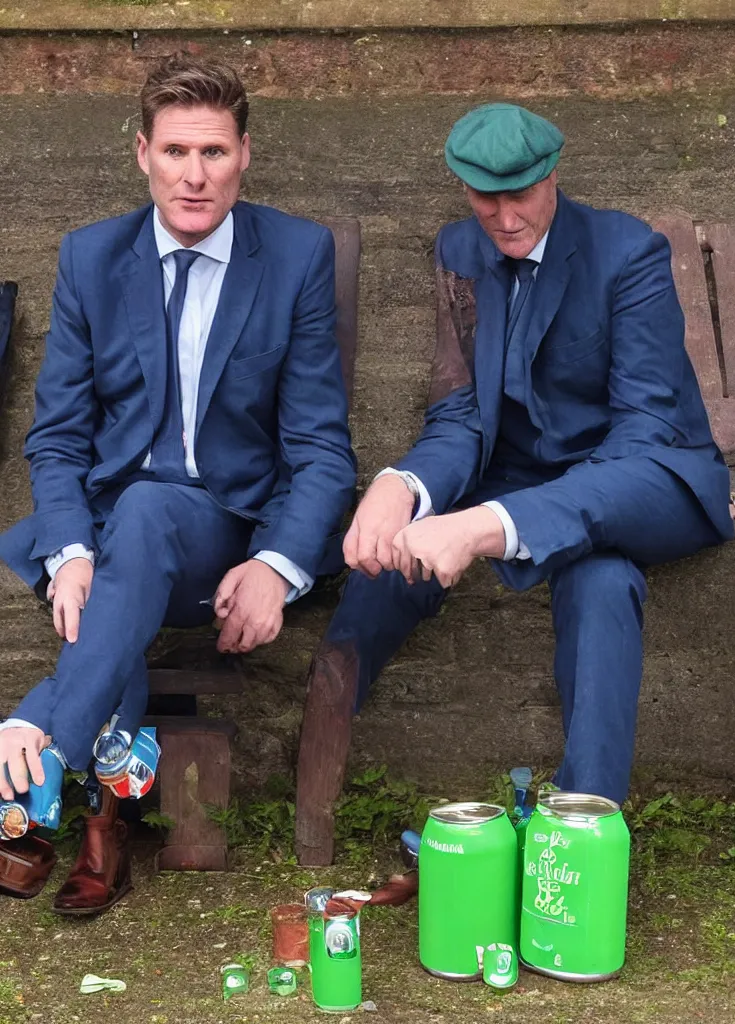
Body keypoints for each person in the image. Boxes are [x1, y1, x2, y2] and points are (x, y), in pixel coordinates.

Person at [0, 54, 355, 911]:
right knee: (123, 537)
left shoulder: (296, 255)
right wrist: (73, 543)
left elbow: (321, 448)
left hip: (220, 540)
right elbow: (56, 437)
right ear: (142, 154)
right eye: (175, 152)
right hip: (114, 539)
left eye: (214, 153)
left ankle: (38, 746)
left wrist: (275, 565)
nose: (194, 176)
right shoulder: (91, 258)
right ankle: (97, 817)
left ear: (245, 156)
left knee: (152, 510)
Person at [315, 103, 733, 809]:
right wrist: (402, 484)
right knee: (384, 557)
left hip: (646, 479)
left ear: (553, 175)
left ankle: (583, 833)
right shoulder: (458, 251)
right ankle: (313, 769)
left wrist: (490, 524)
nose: (505, 218)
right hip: (514, 478)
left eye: (522, 196)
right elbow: (459, 414)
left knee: (600, 583)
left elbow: (641, 436)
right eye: (487, 198)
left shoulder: (627, 254)